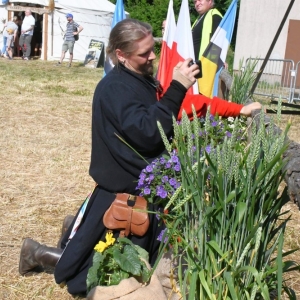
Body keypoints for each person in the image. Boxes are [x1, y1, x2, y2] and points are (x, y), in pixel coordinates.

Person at [18, 19, 261, 297]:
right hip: (124, 198)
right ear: (121, 55)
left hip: (137, 192)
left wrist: (234, 109)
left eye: (152, 49)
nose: (152, 56)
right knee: (91, 271)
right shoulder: (116, 88)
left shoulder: (139, 79)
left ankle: (75, 229)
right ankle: (35, 252)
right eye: (144, 53)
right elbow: (148, 133)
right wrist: (178, 87)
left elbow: (175, 109)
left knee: (115, 260)